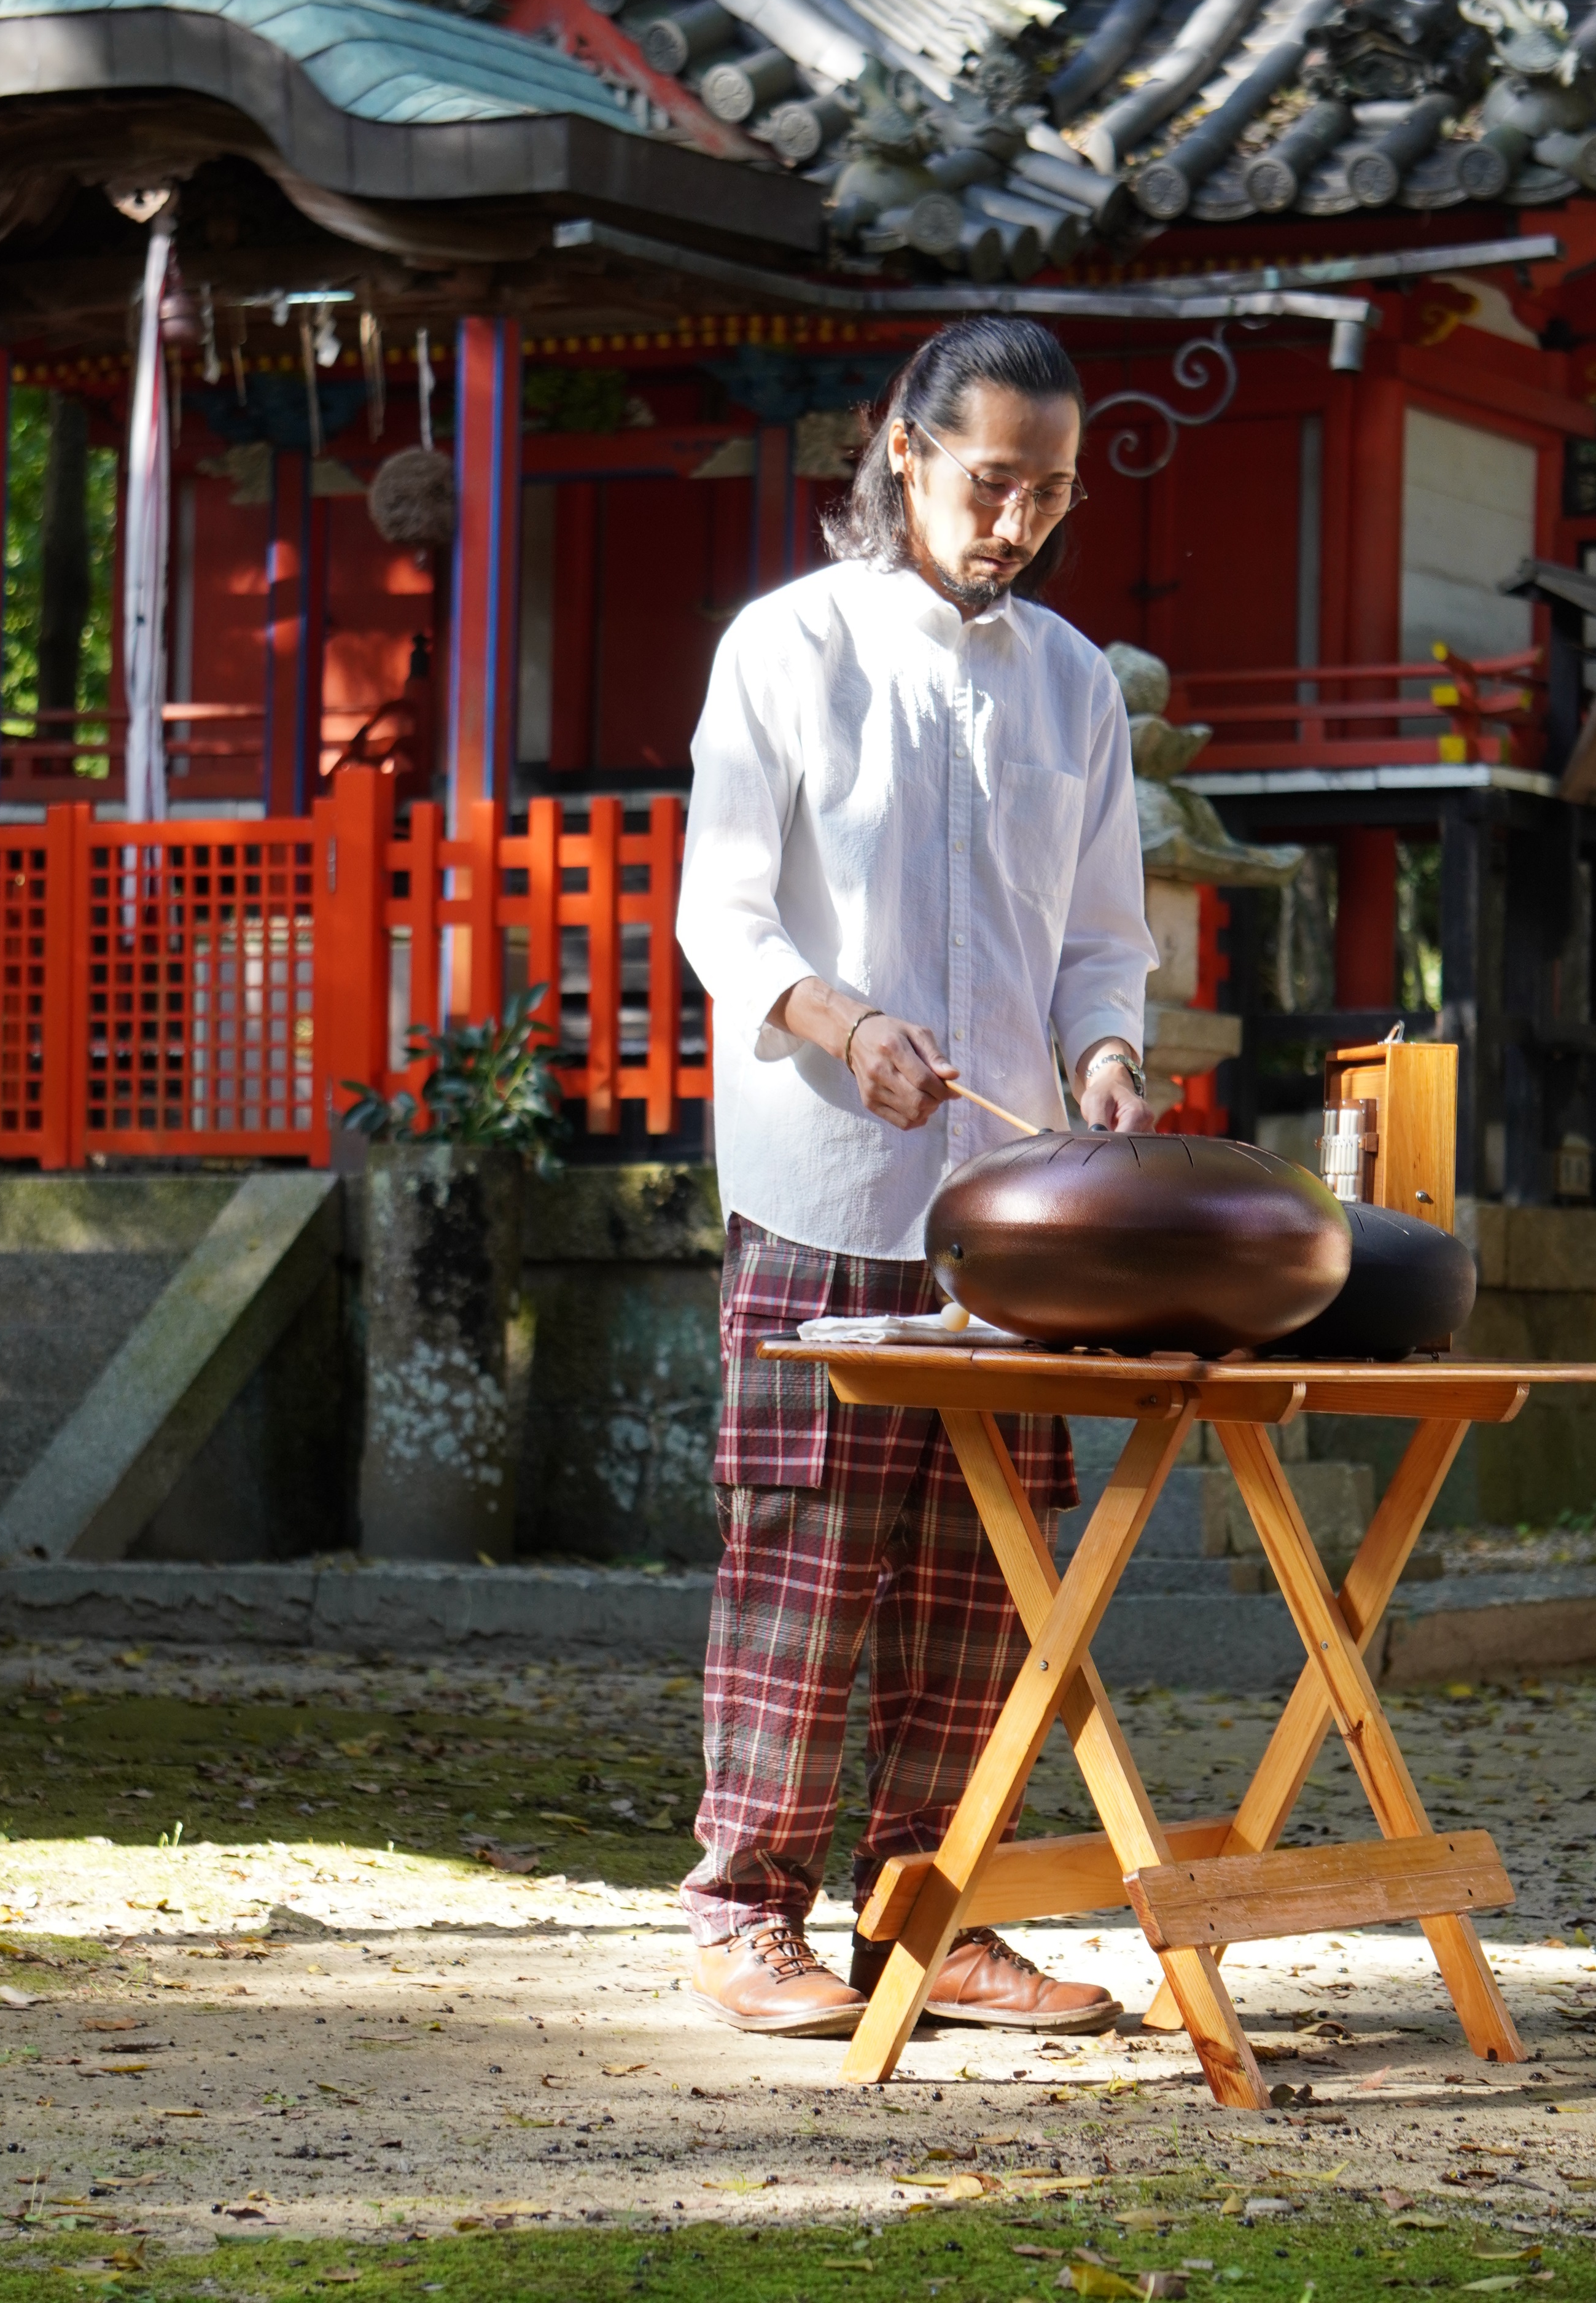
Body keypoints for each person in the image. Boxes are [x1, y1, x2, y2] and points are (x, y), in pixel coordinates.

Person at [673, 316, 1158, 2038]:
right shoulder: (789, 648)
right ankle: (747, 1914)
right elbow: (721, 912)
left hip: (1009, 1210)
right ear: (902, 448)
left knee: (983, 1576)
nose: (1016, 520)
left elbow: (1102, 939)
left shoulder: (1076, 681)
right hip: (825, 1175)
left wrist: (1105, 1057)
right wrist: (839, 1017)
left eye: (1052, 491)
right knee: (806, 1557)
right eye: (989, 480)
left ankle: (932, 1916)